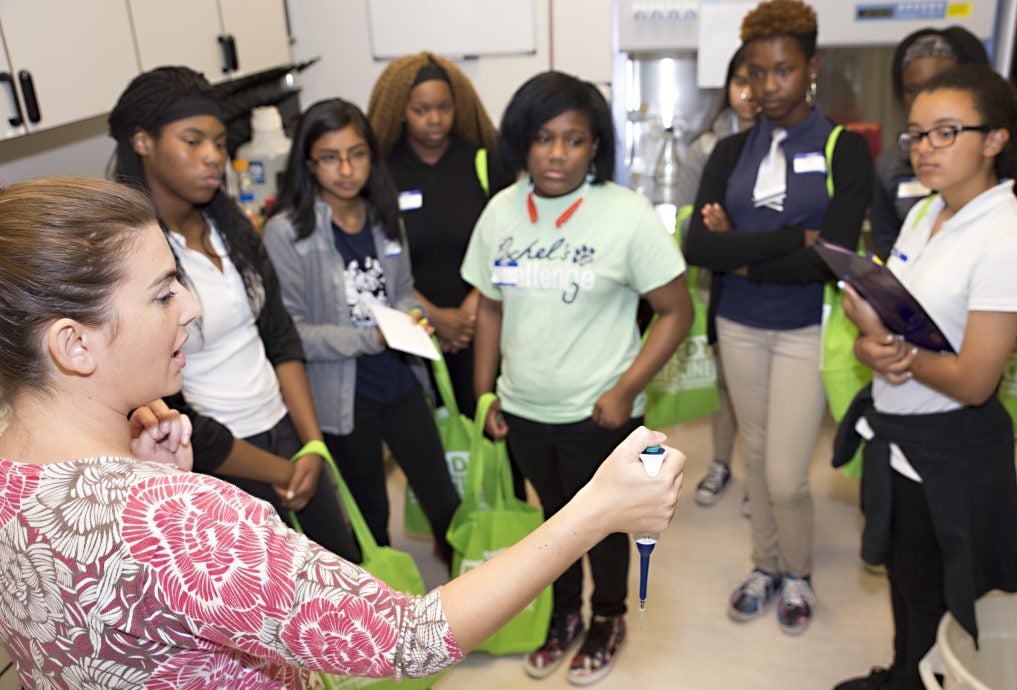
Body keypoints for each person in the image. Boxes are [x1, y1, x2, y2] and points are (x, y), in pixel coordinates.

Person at [0, 176, 686, 687]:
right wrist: (599, 506)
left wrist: (147, 474)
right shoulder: (181, 522)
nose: (193, 307)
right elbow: (408, 638)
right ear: (73, 345)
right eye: (161, 293)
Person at [461, 71, 692, 685]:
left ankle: (607, 618)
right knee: (554, 523)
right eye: (542, 138)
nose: (556, 154)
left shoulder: (627, 215)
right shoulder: (501, 211)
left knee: (608, 526)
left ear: (595, 148)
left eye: (574, 140)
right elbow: (488, 305)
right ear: (521, 143)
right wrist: (484, 393)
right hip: (526, 408)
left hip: (601, 414)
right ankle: (564, 614)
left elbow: (677, 310)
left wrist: (624, 390)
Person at [107, 66, 359, 560]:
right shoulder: (133, 256)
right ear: (142, 141)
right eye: (193, 140)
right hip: (215, 457)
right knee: (265, 612)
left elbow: (279, 336)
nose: (213, 157)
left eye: (219, 142)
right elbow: (171, 408)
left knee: (343, 568)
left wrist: (312, 447)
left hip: (285, 427)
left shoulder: (232, 228)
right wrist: (282, 472)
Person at [683, 0, 872, 635]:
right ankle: (766, 566)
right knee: (757, 460)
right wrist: (794, 239)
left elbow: (833, 258)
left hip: (804, 331)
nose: (767, 88)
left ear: (811, 68)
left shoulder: (845, 150)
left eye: (782, 71)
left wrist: (741, 248)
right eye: (755, 75)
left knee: (789, 475)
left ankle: (800, 570)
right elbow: (697, 248)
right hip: (738, 323)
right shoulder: (729, 150)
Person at [832, 65, 1017, 690]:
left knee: (942, 596)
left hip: (952, 452)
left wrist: (901, 356)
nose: (924, 149)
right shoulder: (926, 214)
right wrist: (869, 343)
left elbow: (974, 381)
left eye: (946, 133)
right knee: (908, 579)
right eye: (916, 135)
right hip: (902, 434)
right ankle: (900, 674)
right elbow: (897, 322)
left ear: (994, 139)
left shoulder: (1006, 236)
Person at [263, 99, 460, 564]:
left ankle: (469, 602)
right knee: (371, 514)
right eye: (331, 158)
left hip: (403, 381)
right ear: (309, 164)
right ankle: (383, 618)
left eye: (357, 154)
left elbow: (405, 290)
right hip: (342, 399)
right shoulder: (287, 233)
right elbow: (294, 334)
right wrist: (372, 337)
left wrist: (411, 317)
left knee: (443, 498)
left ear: (373, 157)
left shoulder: (383, 216)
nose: (346, 169)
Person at [368, 52, 514, 418]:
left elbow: (509, 241)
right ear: (400, 110)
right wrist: (431, 313)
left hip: (484, 322)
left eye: (444, 107)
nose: (435, 119)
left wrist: (474, 305)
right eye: (422, 110)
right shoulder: (380, 171)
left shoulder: (485, 161)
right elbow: (377, 256)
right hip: (413, 328)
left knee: (491, 435)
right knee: (435, 448)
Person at [677, 46, 757, 509]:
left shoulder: (780, 146)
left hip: (770, 284)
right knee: (726, 382)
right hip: (715, 284)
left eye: (757, 81)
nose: (748, 94)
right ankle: (723, 462)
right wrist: (718, 231)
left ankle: (757, 476)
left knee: (756, 388)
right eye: (739, 82)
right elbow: (688, 222)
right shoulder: (705, 148)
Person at [869, 26, 989, 259]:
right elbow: (888, 245)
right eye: (912, 90)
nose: (924, 99)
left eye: (937, 85)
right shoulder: (891, 164)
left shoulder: (1000, 176)